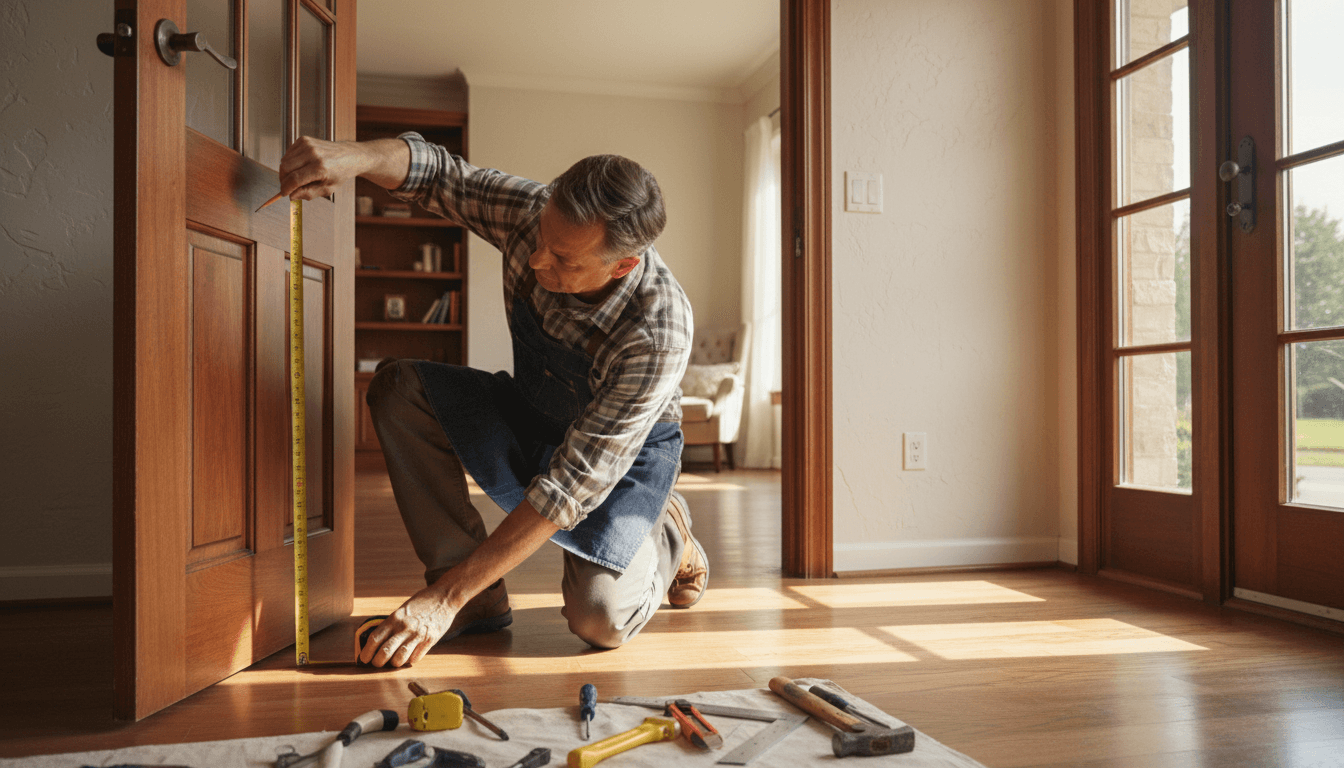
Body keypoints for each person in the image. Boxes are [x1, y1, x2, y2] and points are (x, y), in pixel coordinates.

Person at [278, 132, 708, 668]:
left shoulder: (658, 331)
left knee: (599, 621)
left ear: (621, 265)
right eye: (541, 241)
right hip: (534, 409)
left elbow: (569, 487)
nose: (536, 260)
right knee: (398, 387)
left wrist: (440, 602)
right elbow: (440, 175)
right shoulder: (534, 216)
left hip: (619, 460)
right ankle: (477, 600)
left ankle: (669, 531)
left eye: (564, 260)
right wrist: (358, 157)